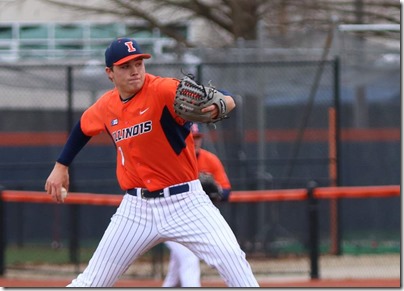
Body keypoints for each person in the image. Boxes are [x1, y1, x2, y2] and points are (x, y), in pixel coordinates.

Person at [44, 37, 259, 287]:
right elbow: (82, 128)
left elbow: (224, 96)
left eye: (138, 63)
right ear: (109, 73)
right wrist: (61, 165)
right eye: (125, 66)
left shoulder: (163, 89)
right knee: (91, 281)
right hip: (136, 209)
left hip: (187, 203)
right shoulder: (105, 106)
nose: (135, 71)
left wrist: (226, 103)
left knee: (234, 262)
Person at [162, 123, 232, 287]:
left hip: (196, 218)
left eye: (198, 138)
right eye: (192, 138)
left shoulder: (210, 159)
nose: (196, 141)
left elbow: (227, 192)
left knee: (176, 271)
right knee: (188, 257)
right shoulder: (172, 159)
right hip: (169, 217)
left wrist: (216, 191)